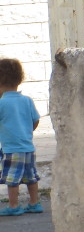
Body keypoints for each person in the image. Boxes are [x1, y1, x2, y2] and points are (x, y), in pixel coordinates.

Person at [0, 58, 42, 216]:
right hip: (28, 147)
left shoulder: (2, 104)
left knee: (12, 179)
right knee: (31, 176)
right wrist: (27, 131)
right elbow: (36, 120)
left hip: (12, 149)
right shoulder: (27, 100)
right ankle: (34, 203)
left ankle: (13, 206)